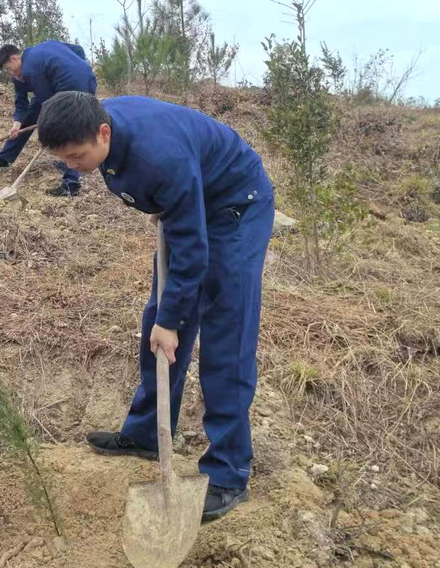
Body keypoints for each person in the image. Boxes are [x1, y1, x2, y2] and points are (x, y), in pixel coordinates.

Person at [35, 91, 275, 521]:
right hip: (187, 204)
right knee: (159, 325)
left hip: (235, 206)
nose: (72, 166)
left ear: (103, 132)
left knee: (226, 336)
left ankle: (228, 471)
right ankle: (148, 433)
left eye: (76, 156)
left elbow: (194, 251)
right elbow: (180, 227)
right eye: (63, 160)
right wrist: (166, 320)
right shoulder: (99, 127)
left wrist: (173, 321)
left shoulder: (157, 157)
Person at [0, 41, 96, 196]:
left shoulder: (32, 68)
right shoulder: (22, 73)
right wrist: (17, 124)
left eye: (10, 69)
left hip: (71, 85)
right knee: (31, 113)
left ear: (15, 58)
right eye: (8, 72)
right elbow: (78, 49)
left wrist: (47, 124)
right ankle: (4, 159)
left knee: (65, 128)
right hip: (84, 78)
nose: (11, 73)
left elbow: (48, 103)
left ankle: (71, 183)